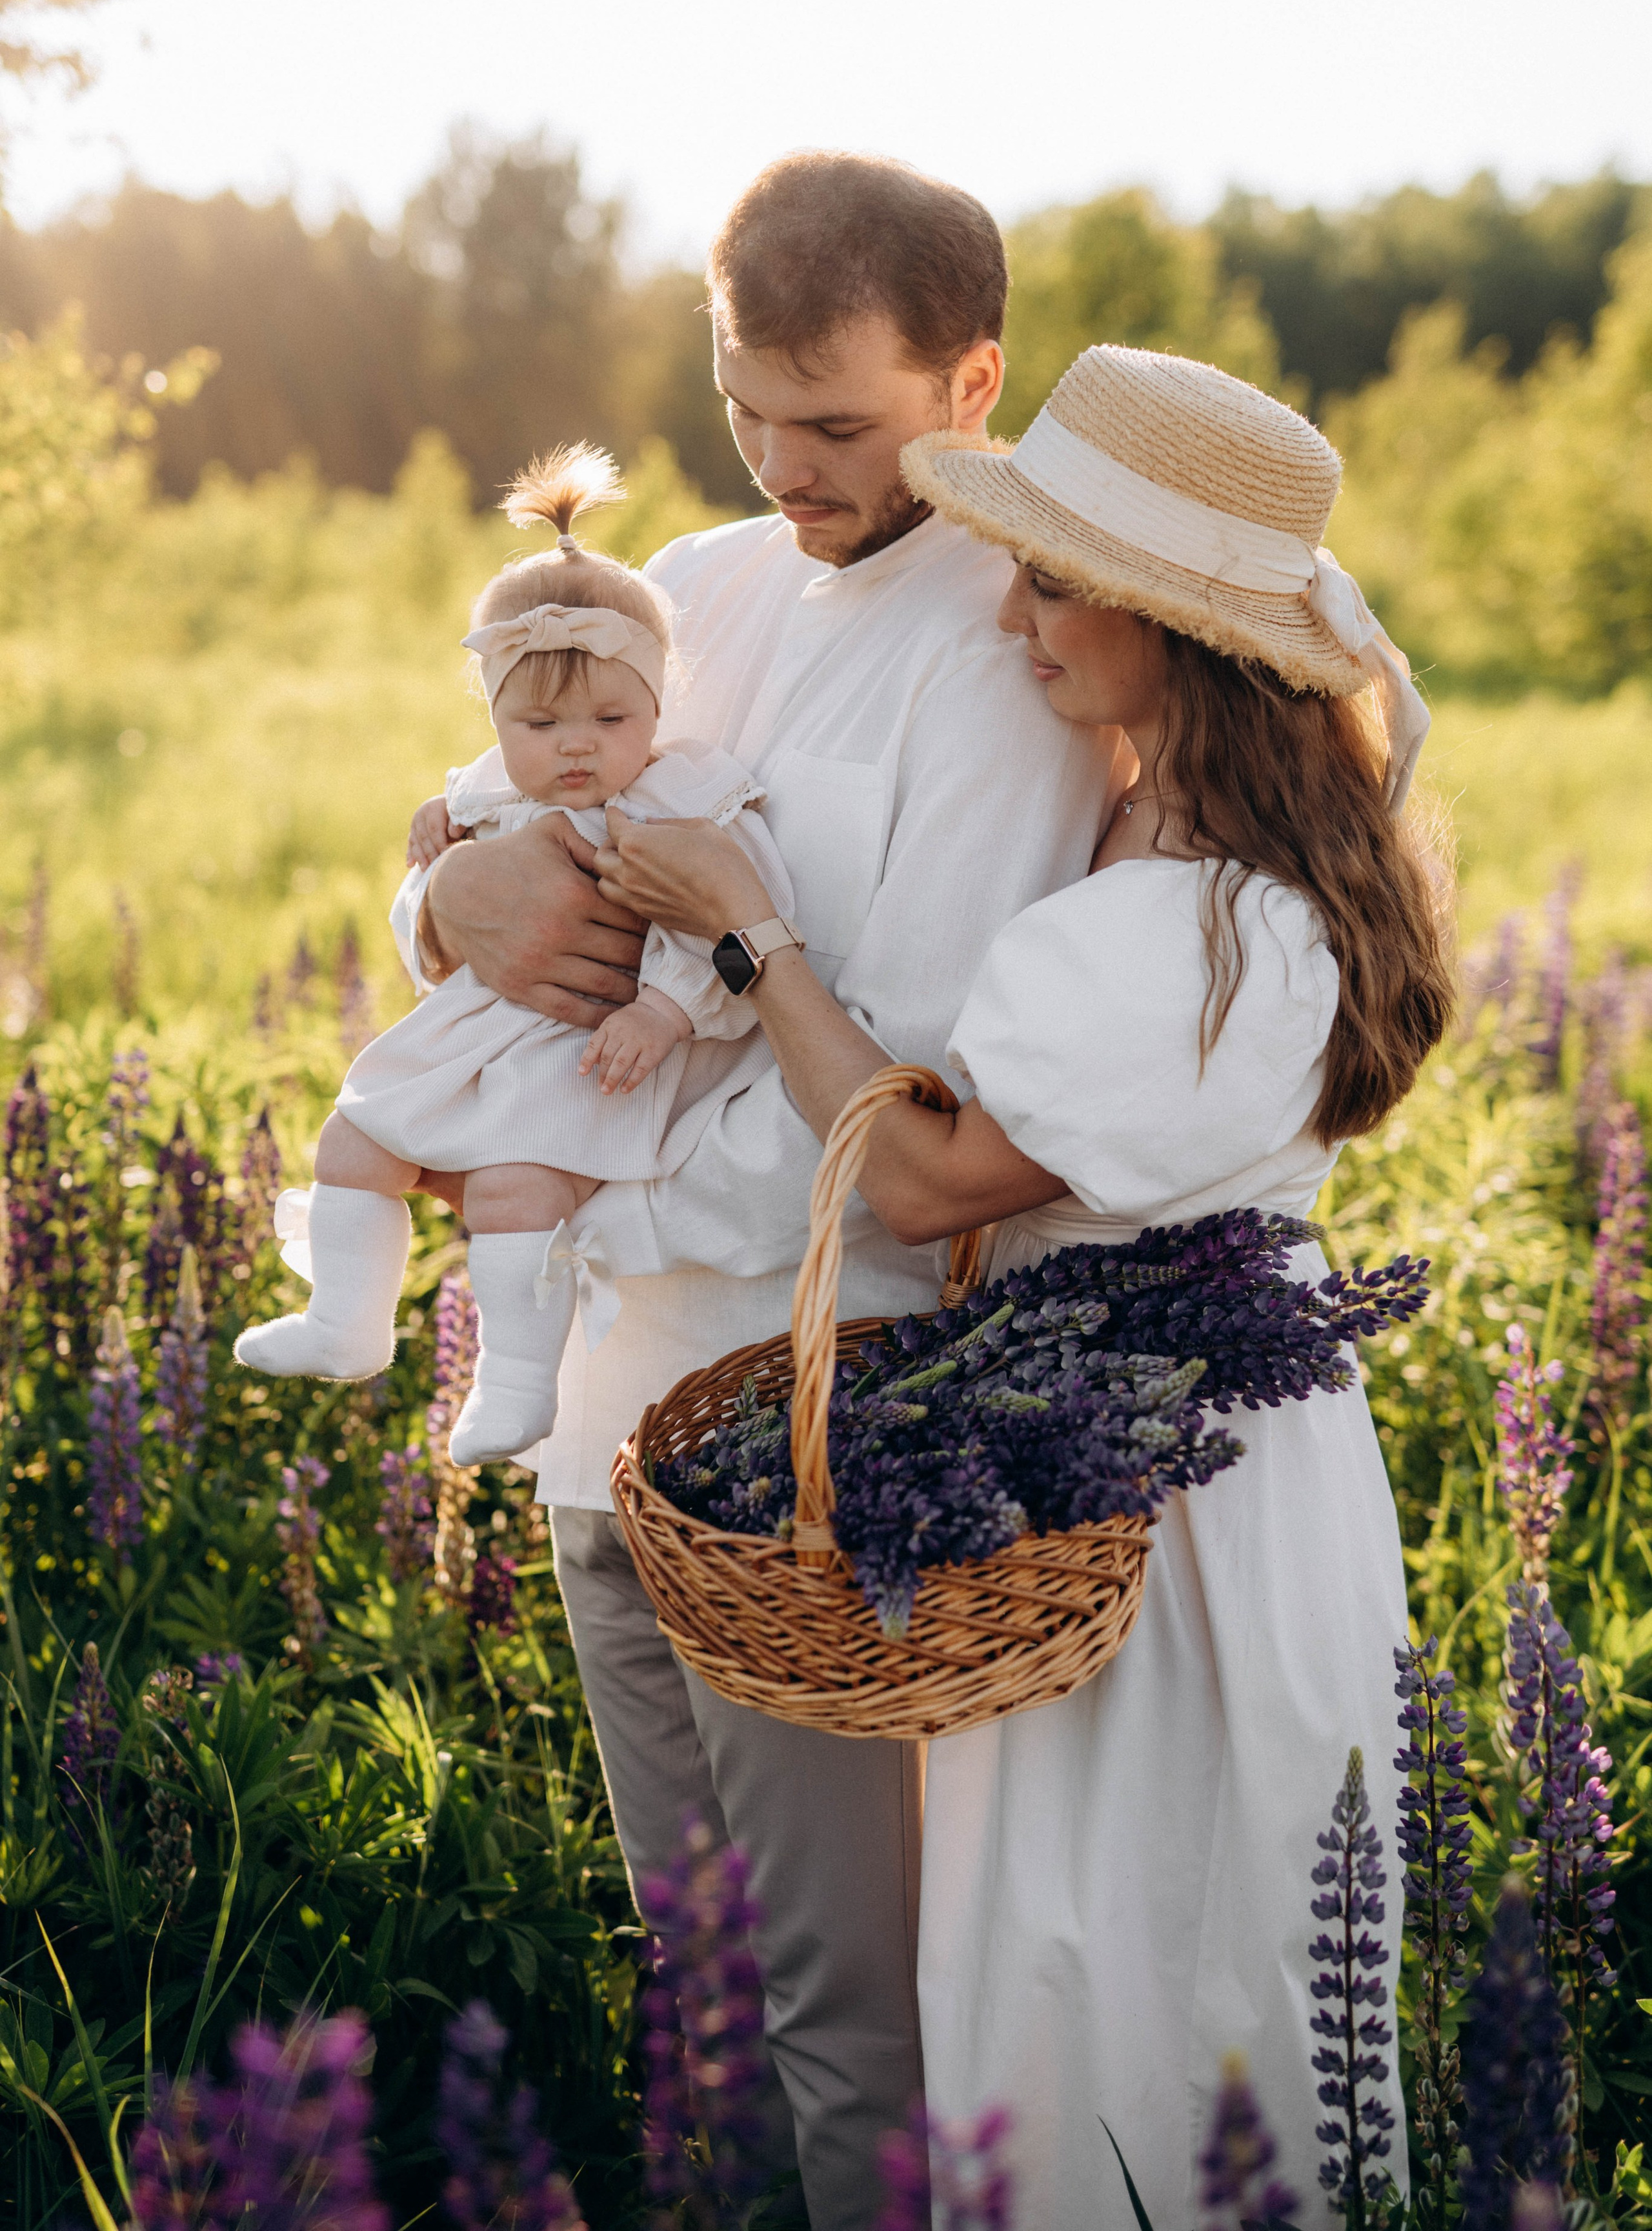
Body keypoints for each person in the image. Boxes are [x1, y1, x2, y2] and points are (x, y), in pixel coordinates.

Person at [589, 343, 1453, 2228]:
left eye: (1058, 581)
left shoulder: (1190, 921)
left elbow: (926, 1170)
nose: (1013, 605)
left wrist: (750, 937)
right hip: (1251, 1466)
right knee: (1212, 1949)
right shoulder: (1227, 863)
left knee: (1109, 1963)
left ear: (1180, 634)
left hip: (1147, 1500)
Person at [399, 154, 1133, 2227]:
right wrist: (430, 898)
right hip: (584, 1437)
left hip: (794, 1437)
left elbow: (902, 1087)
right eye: (748, 406)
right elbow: (509, 821)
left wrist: (580, 1193)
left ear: (973, 379)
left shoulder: (1006, 657)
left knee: (838, 2010)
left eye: (840, 422)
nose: (785, 464)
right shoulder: (695, 585)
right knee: (692, 1986)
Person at [234, 446, 792, 1472]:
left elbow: (740, 919)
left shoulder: (683, 798)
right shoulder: (489, 788)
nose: (576, 748)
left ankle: (518, 1384)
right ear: (493, 715)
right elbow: (434, 915)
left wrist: (664, 1015)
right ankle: (346, 1320)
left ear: (660, 704)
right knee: (354, 1144)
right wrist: (437, 860)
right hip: (470, 1034)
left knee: (514, 1195)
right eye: (540, 723)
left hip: (585, 1048)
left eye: (611, 719)